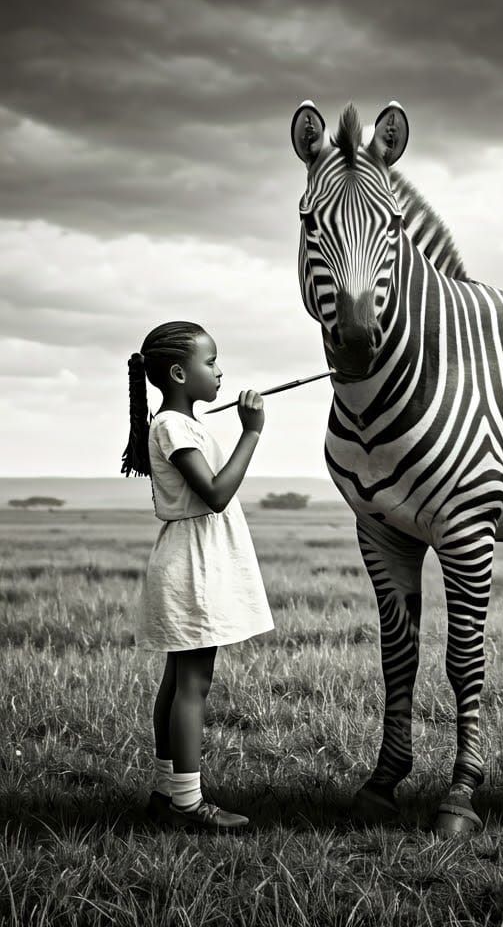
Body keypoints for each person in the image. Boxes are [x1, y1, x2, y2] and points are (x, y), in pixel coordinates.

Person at [121, 320, 274, 831]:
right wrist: (252, 432)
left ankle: (168, 794)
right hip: (193, 568)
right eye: (211, 362)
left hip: (192, 560)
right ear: (180, 372)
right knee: (192, 683)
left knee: (178, 679)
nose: (220, 370)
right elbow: (214, 494)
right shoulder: (172, 427)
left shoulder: (183, 424)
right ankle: (189, 803)